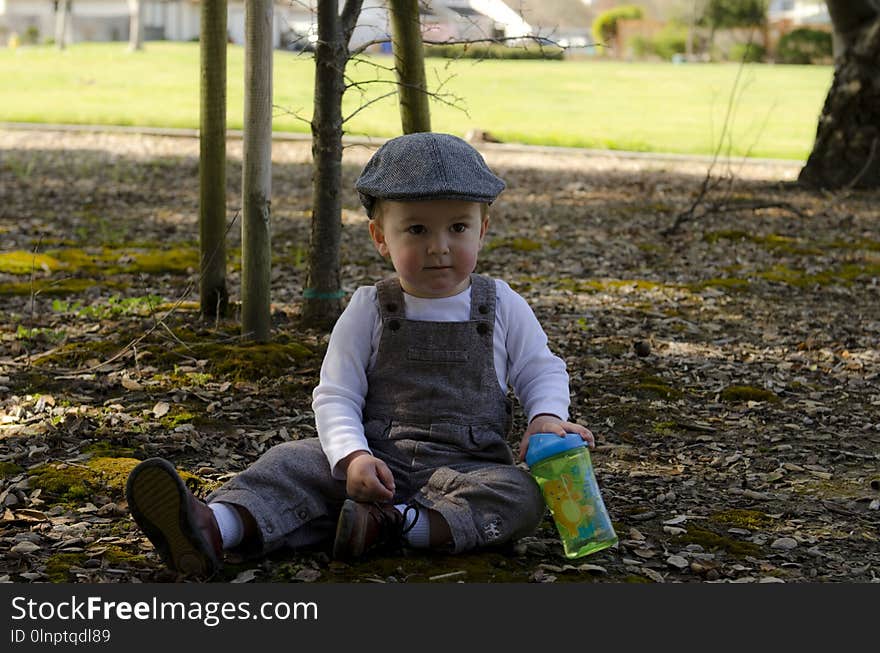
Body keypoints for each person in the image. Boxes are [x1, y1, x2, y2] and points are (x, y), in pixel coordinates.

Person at [125, 132, 594, 577]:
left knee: (522, 495)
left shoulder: (501, 303)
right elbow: (337, 394)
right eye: (416, 229)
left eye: (458, 227)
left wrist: (546, 417)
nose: (439, 247)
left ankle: (397, 525)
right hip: (377, 458)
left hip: (467, 468)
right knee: (290, 463)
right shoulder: (370, 307)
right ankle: (214, 526)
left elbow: (540, 367)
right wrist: (352, 458)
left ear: (482, 229)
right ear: (380, 237)